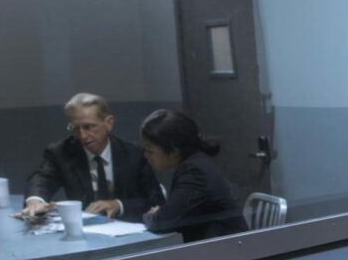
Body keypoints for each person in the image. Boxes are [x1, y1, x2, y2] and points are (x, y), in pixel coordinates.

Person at [21, 93, 164, 220]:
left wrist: (118, 205)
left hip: (129, 229)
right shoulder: (61, 152)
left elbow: (155, 201)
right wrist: (35, 200)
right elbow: (42, 178)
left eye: (89, 127)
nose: (82, 136)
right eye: (76, 128)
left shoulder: (134, 155)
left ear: (109, 123)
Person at [139, 108, 247, 242]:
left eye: (150, 151)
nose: (146, 156)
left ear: (174, 151)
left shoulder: (194, 173)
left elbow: (164, 222)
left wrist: (151, 216)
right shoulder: (196, 162)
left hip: (226, 252)